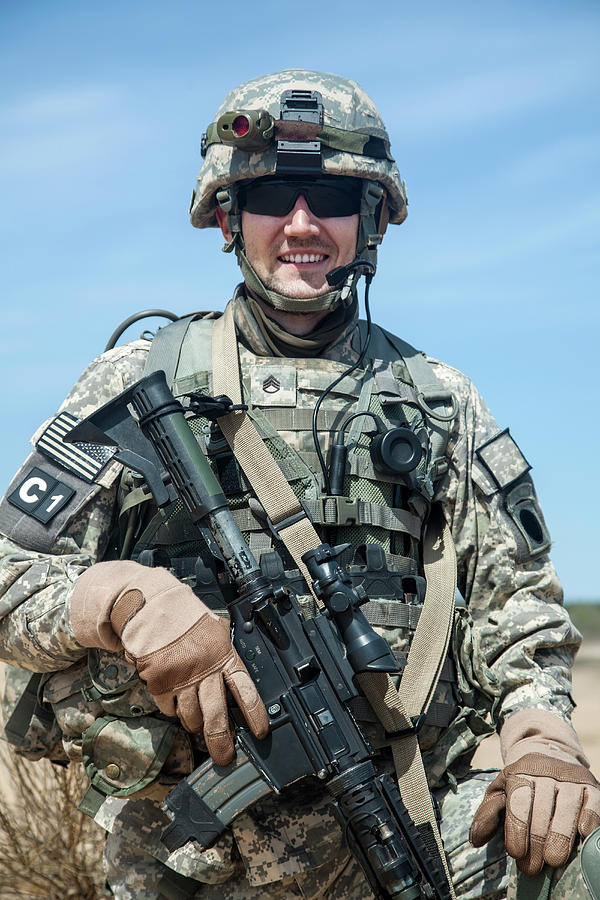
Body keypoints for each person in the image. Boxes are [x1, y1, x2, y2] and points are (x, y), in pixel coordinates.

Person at [0, 69, 598, 900]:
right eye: (274, 195)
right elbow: (10, 577)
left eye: (332, 197)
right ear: (226, 216)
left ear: (375, 218)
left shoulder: (436, 398)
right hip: (201, 862)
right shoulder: (144, 379)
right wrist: (122, 597)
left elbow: (517, 605)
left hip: (411, 814)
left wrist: (543, 735)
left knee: (580, 862)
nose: (303, 223)